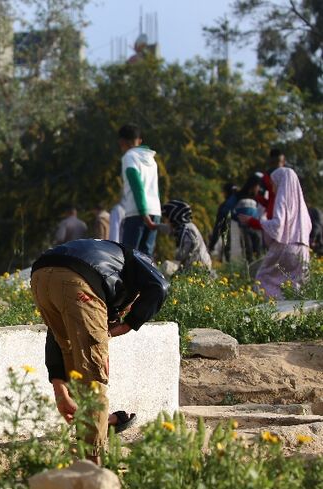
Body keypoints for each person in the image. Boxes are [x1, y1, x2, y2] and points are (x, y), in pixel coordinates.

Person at [30, 239, 168, 465]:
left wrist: (60, 390)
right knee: (94, 377)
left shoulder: (102, 256)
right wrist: (126, 325)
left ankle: (101, 426)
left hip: (40, 276)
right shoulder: (136, 258)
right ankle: (93, 466)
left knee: (73, 355)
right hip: (79, 283)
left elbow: (57, 336)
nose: (117, 316)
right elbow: (159, 287)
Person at [238, 167, 311, 299]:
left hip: (285, 247)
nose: (272, 188)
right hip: (303, 250)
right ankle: (294, 316)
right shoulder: (300, 205)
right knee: (296, 288)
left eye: (273, 184)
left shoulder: (282, 199)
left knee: (263, 279)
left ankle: (271, 314)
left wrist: (256, 222)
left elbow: (278, 225)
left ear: (280, 182)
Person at [117, 124, 162, 256]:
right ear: (139, 141)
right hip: (155, 210)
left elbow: (137, 186)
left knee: (129, 255)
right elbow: (155, 188)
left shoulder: (129, 157)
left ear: (122, 142)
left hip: (137, 212)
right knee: (146, 256)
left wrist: (143, 213)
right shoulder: (152, 159)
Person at [159, 200, 212, 274]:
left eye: (167, 218)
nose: (166, 221)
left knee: (166, 267)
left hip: (198, 267)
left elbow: (189, 244)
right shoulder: (184, 226)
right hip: (196, 265)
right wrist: (154, 226)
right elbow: (169, 229)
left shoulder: (186, 230)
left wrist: (178, 258)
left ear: (174, 217)